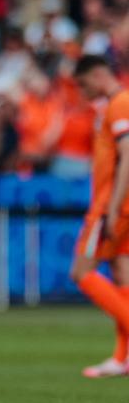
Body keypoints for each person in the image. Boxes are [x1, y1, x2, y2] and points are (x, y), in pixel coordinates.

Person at [69, 55, 129, 379]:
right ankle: (123, 358)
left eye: (82, 84)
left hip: (111, 204)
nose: (82, 91)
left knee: (81, 271)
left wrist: (113, 206)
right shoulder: (117, 104)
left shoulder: (120, 103)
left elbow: (128, 156)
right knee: (122, 275)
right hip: (119, 203)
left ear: (97, 74)